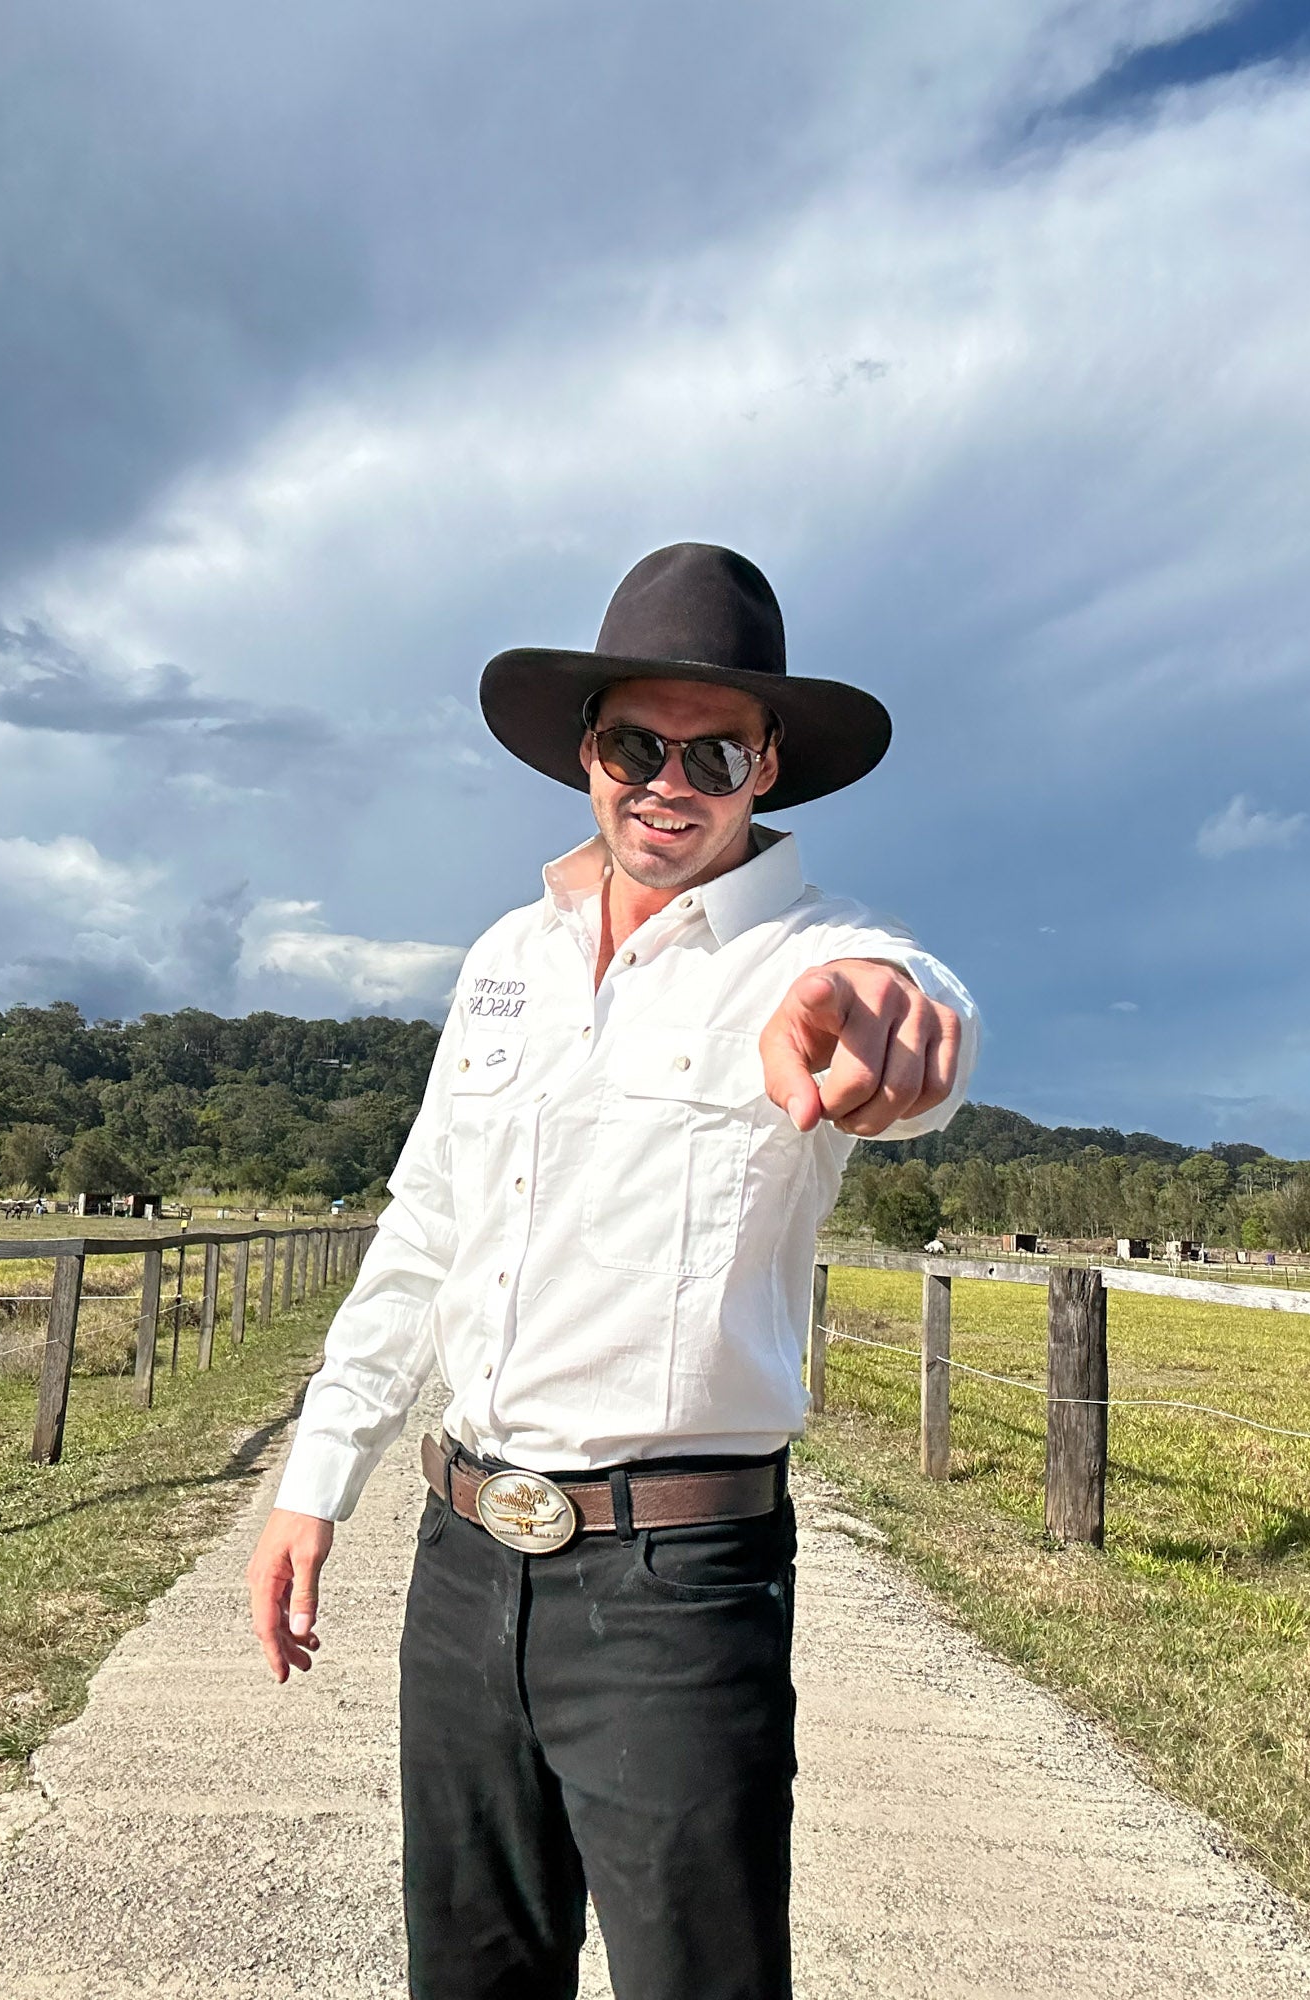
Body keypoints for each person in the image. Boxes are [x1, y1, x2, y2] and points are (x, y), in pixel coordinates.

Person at [247, 543, 978, 1999]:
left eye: (716, 749)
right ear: (587, 751)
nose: (671, 778)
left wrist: (902, 1022)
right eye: (639, 741)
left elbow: (918, 1018)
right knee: (464, 1971)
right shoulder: (506, 960)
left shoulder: (818, 955)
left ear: (767, 766)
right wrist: (312, 1482)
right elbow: (423, 1230)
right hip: (459, 1564)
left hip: (674, 1585)